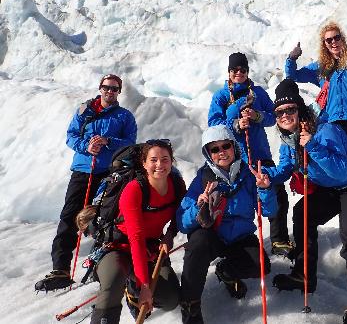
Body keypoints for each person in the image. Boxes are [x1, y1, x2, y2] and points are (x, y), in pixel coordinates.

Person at [264, 79, 347, 324]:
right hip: (334, 185)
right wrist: (268, 178)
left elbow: (341, 171)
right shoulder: (288, 139)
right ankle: (303, 274)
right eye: (279, 112)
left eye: (290, 109)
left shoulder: (325, 130)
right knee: (302, 213)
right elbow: (287, 167)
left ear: (300, 109)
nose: (285, 115)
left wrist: (313, 145)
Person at [35, 74, 137, 291]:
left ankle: (100, 266)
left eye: (115, 89)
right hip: (83, 170)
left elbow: (130, 142)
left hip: (111, 173)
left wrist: (108, 142)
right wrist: (86, 146)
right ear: (100, 88)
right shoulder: (84, 111)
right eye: (107, 88)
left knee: (105, 218)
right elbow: (71, 136)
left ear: (119, 92)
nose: (110, 92)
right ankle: (61, 268)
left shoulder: (124, 117)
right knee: (70, 215)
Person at [177, 125, 276, 324]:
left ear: (234, 147)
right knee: (197, 245)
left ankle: (226, 271)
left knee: (261, 266)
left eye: (226, 146)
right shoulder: (201, 180)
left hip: (240, 236)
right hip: (211, 235)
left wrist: (265, 190)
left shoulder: (250, 175)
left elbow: (269, 211)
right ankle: (190, 305)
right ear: (208, 153)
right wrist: (198, 208)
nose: (222, 152)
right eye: (215, 149)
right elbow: (182, 223)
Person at [89, 139, 185, 323]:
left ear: (172, 161)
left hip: (149, 247)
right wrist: (145, 286)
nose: (160, 165)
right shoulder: (134, 189)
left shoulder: (177, 185)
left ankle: (133, 289)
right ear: (144, 163)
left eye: (165, 159)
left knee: (170, 299)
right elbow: (136, 238)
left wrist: (169, 236)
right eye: (153, 160)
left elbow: (179, 215)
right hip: (118, 246)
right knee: (112, 284)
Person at [208, 52, 292, 257]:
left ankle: (279, 239)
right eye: (235, 69)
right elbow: (213, 125)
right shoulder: (221, 96)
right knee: (238, 200)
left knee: (276, 191)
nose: (239, 73)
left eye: (242, 69)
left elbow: (273, 117)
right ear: (229, 72)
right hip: (234, 158)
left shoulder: (258, 93)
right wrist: (235, 124)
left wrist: (257, 116)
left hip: (260, 153)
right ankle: (232, 243)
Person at [285, 21, 347, 145]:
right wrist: (292, 59)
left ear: (342, 39)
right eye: (329, 40)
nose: (334, 42)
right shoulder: (320, 67)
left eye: (337, 38)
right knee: (339, 162)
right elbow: (293, 76)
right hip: (333, 121)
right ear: (324, 44)